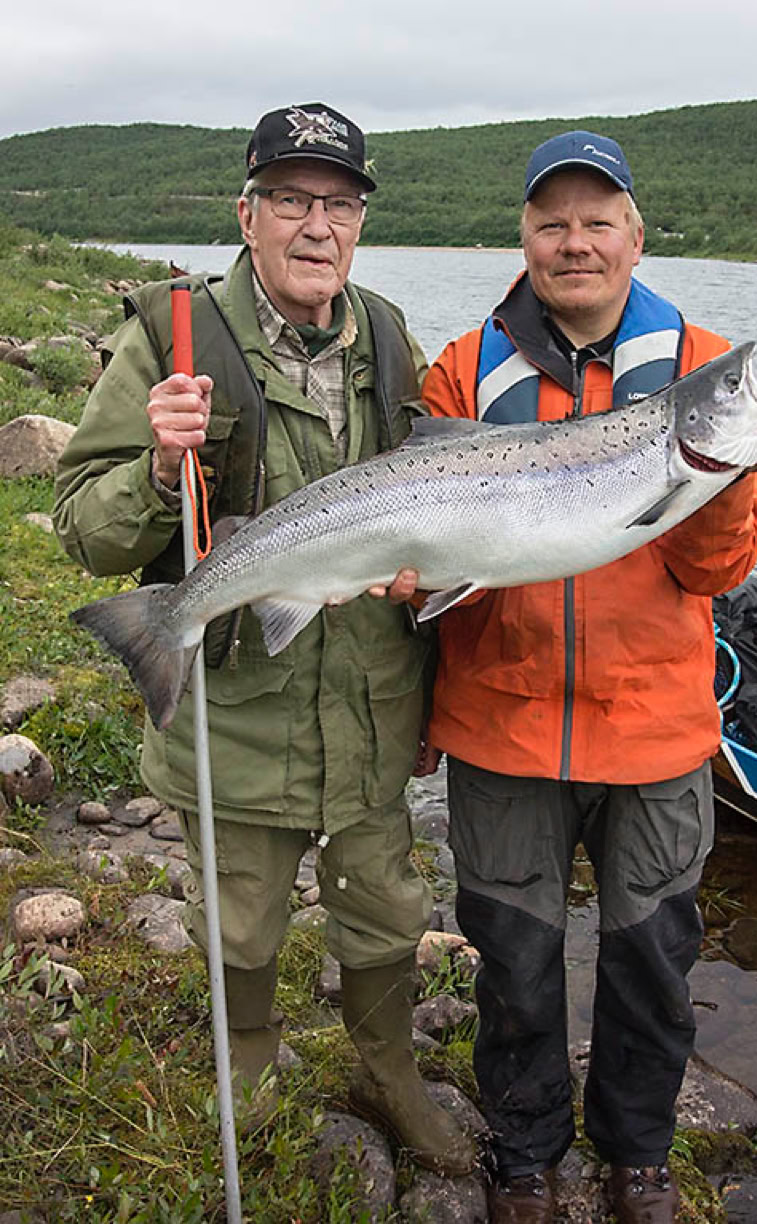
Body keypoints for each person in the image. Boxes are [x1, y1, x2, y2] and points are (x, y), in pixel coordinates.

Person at [52, 103, 476, 1176]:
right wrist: (155, 469)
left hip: (372, 705)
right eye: (291, 199)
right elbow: (83, 531)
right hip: (239, 711)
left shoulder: (385, 334)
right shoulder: (171, 335)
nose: (316, 225)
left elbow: (422, 497)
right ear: (248, 214)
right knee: (239, 925)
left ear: (361, 222)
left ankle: (388, 1065)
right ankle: (247, 1049)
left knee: (388, 909)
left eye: (339, 202)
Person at [415, 132, 757, 1222]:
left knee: (652, 970)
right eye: (551, 222)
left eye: (596, 220)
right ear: (523, 237)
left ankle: (638, 1159)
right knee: (513, 968)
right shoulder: (464, 369)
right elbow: (439, 563)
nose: (574, 243)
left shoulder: (701, 366)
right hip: (501, 727)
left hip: (655, 734)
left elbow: (715, 570)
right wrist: (419, 568)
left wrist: (718, 476)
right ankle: (523, 1159)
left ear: (635, 233)